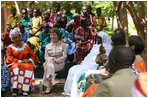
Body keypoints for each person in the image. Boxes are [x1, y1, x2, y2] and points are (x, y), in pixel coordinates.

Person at [63, 31, 112, 97]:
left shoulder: (108, 47)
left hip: (95, 65)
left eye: (99, 38)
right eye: (96, 38)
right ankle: (69, 90)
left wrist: (101, 54)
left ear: (103, 39)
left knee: (78, 73)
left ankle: (79, 92)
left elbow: (102, 60)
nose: (97, 39)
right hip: (87, 63)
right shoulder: (95, 46)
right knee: (72, 69)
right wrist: (84, 62)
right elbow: (90, 56)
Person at [6, 28, 37, 96]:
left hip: (26, 63)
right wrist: (20, 61)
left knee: (28, 67)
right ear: (12, 39)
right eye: (15, 38)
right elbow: (9, 58)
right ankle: (15, 89)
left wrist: (29, 60)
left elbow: (33, 56)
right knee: (16, 67)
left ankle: (25, 89)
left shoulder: (26, 46)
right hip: (15, 64)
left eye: (18, 37)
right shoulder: (9, 48)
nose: (17, 39)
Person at [43, 28, 67, 94]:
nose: (52, 36)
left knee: (47, 66)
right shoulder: (47, 46)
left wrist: (59, 60)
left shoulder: (62, 45)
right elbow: (46, 57)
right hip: (50, 63)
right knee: (49, 60)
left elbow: (65, 56)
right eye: (51, 35)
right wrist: (53, 59)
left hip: (59, 64)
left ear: (58, 35)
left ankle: (48, 87)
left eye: (54, 35)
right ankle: (52, 79)